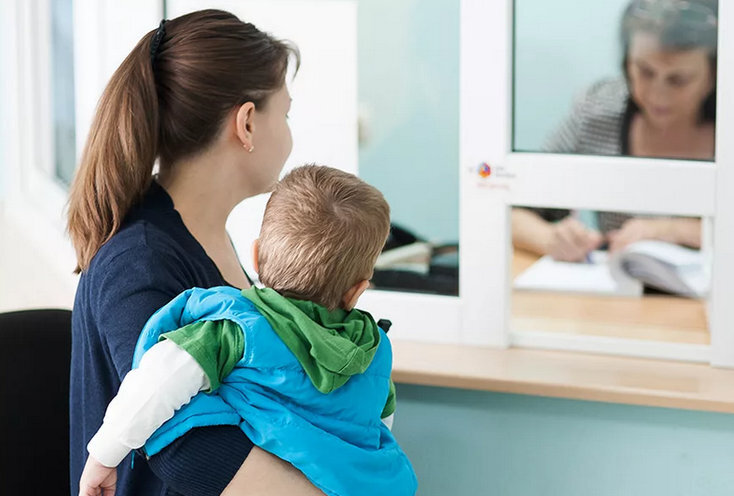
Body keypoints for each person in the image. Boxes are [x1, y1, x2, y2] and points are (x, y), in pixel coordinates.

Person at [67, 9, 329, 496]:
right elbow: (184, 447)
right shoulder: (140, 262)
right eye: (286, 114)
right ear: (247, 123)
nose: (290, 133)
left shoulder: (208, 234)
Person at [77, 165, 418, 496]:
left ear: (255, 256)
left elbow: (158, 382)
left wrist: (104, 455)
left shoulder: (235, 329)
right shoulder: (373, 352)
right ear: (356, 291)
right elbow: (376, 430)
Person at [512, 0, 717, 262]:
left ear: (714, 75)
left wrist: (673, 230)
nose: (658, 95)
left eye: (678, 80)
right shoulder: (599, 111)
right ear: (627, 61)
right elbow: (513, 207)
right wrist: (552, 239)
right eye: (645, 71)